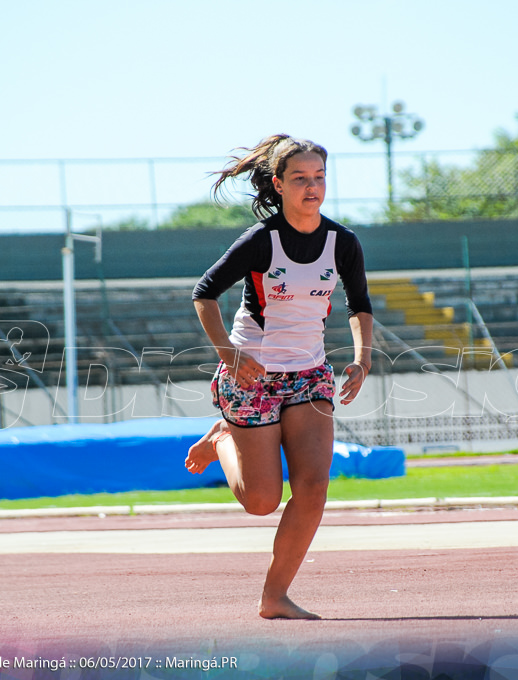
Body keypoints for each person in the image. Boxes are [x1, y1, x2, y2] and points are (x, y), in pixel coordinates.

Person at [184, 134, 374, 620]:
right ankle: (223, 435)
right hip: (253, 374)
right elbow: (204, 294)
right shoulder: (260, 241)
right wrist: (228, 353)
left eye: (319, 178)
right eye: (300, 179)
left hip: (310, 375)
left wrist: (361, 357)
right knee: (262, 502)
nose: (312, 188)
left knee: (313, 489)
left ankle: (275, 597)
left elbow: (359, 305)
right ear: (279, 184)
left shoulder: (342, 242)